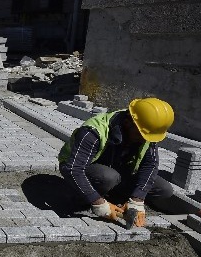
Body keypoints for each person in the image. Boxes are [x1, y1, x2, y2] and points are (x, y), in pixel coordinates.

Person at [58, 97, 175, 227]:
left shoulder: (145, 131)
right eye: (141, 135)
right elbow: (73, 169)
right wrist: (98, 203)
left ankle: (113, 197)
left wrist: (138, 199)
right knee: (108, 177)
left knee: (164, 189)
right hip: (82, 170)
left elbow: (150, 165)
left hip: (118, 172)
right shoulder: (94, 130)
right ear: (128, 122)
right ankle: (81, 196)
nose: (144, 140)